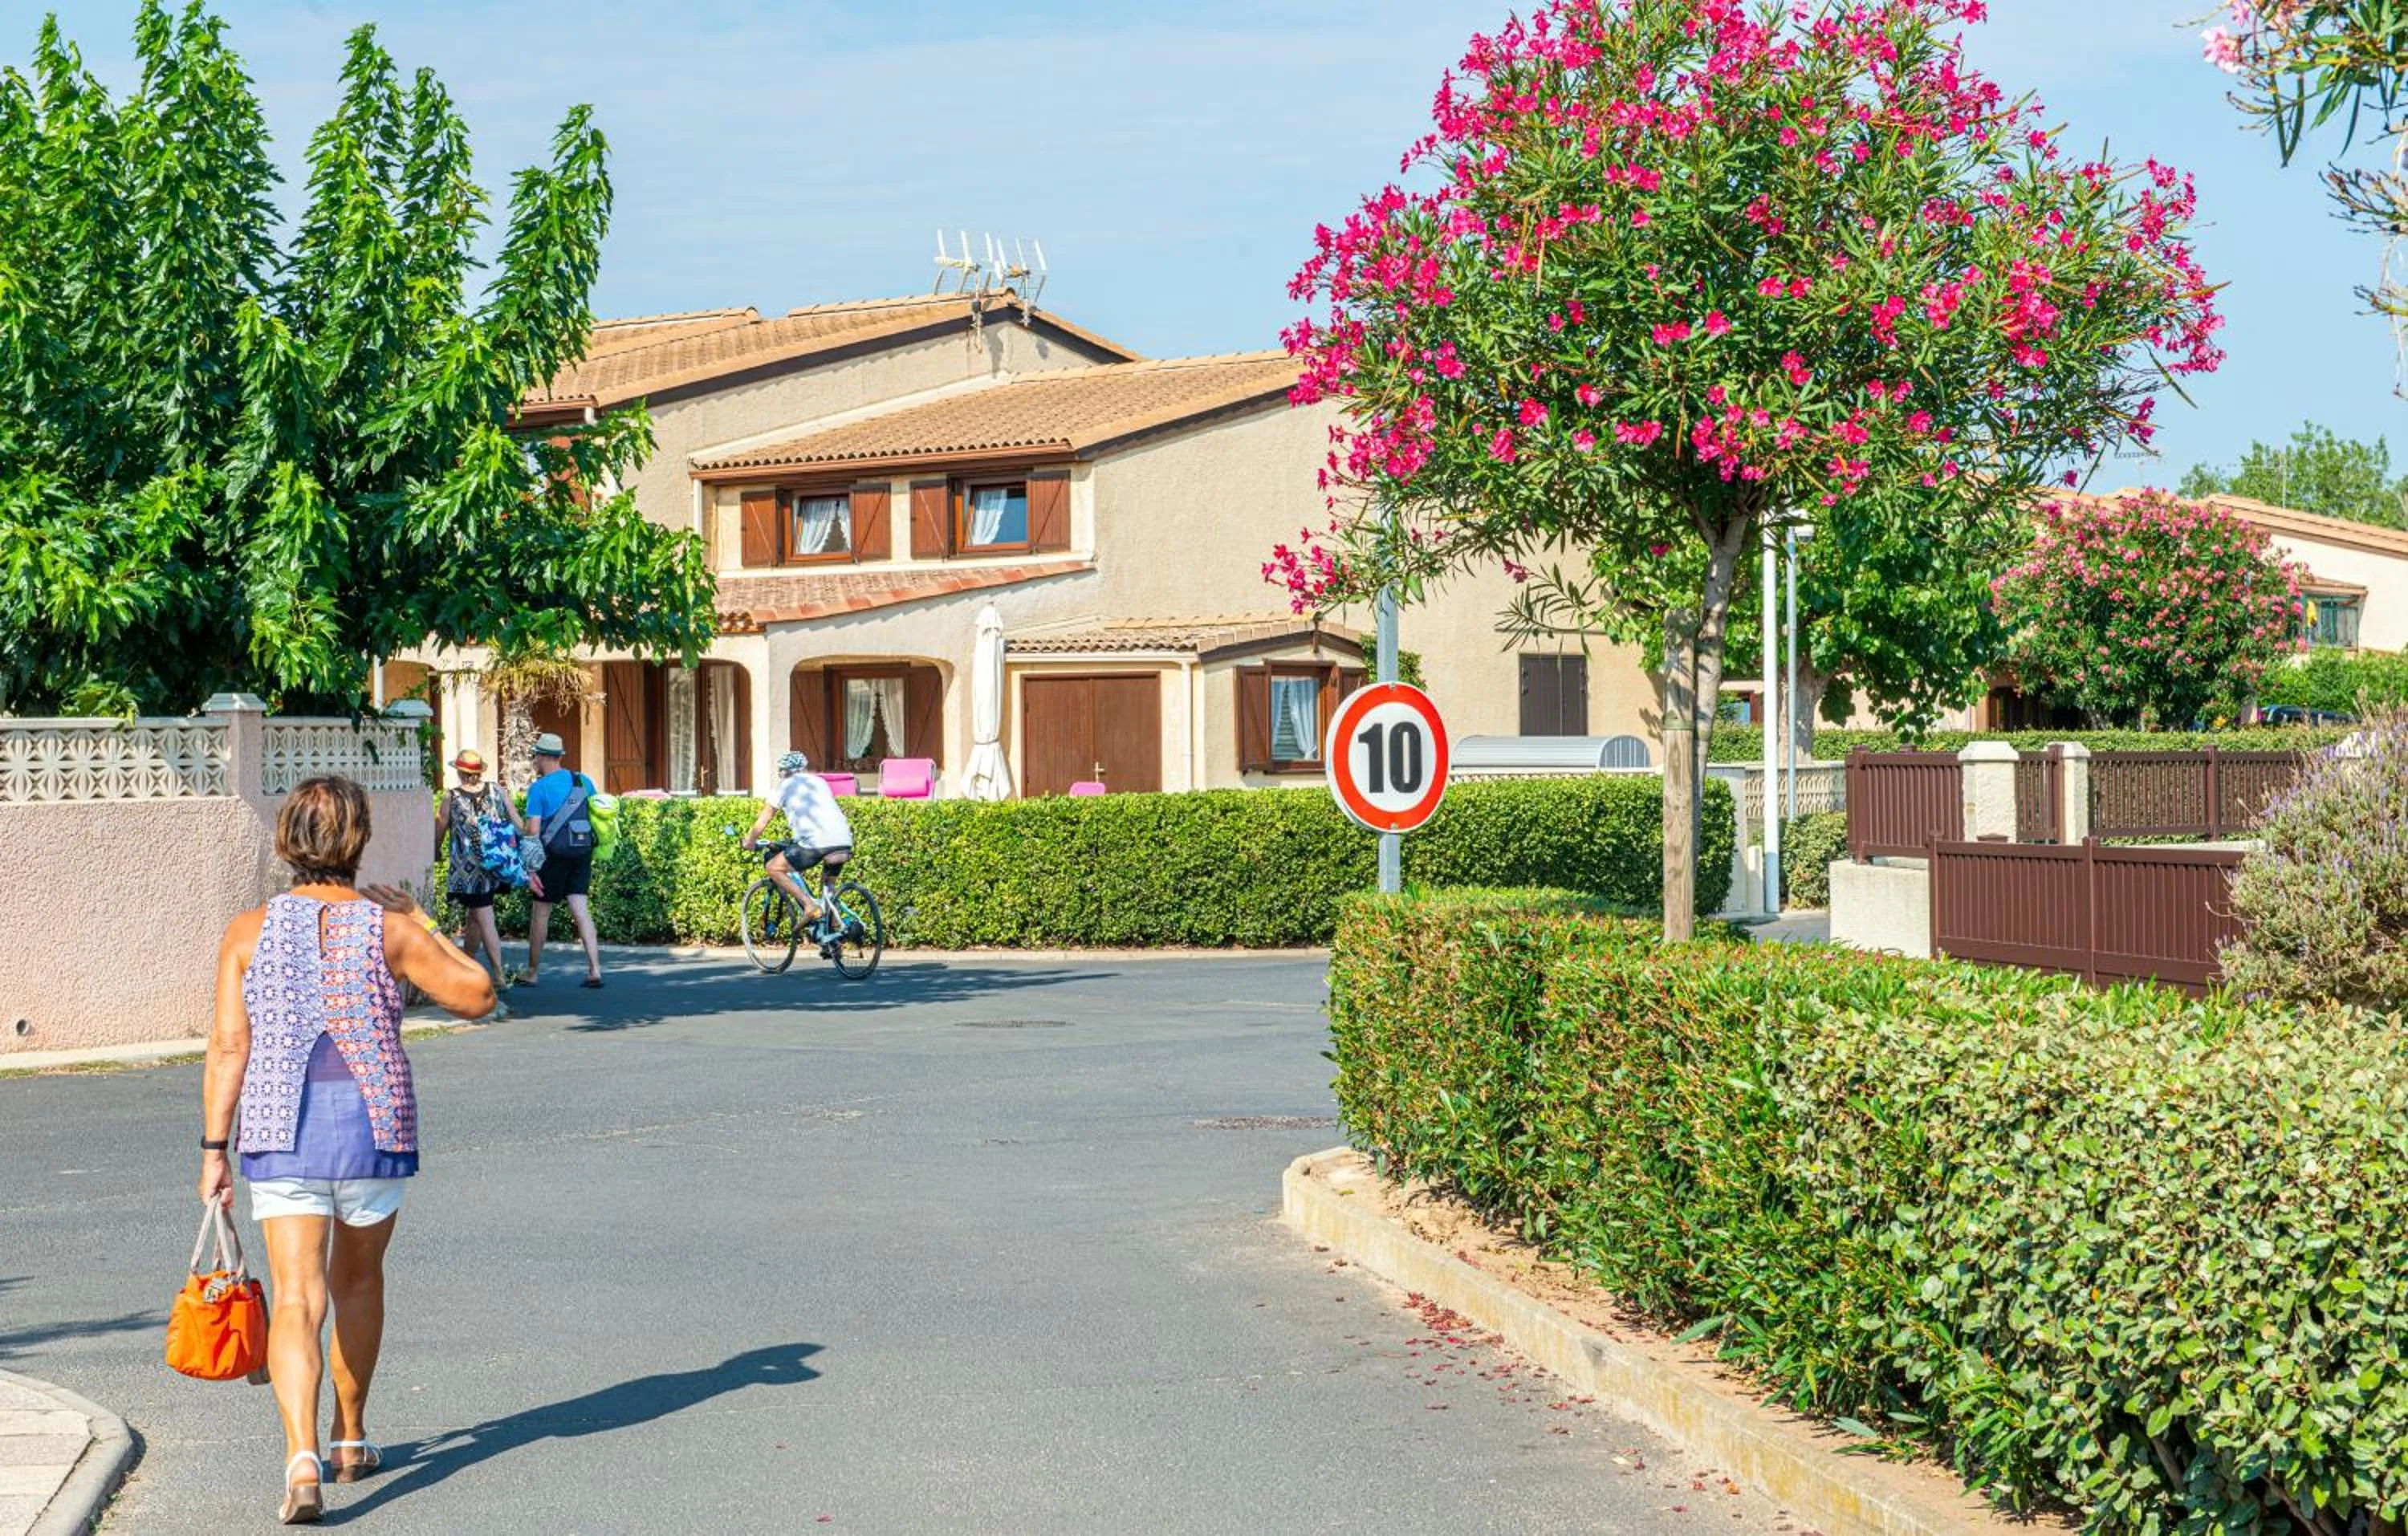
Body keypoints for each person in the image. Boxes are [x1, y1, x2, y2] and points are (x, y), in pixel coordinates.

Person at [199, 776, 496, 1525]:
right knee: (358, 1284)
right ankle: (350, 1437)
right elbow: (478, 994)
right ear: (357, 840)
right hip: (373, 1125)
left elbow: (230, 1046)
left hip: (279, 1127)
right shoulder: (389, 928)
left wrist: (213, 1148)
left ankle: (301, 1460)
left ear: (287, 840)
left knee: (297, 1297)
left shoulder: (247, 932)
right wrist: (421, 920)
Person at [435, 750, 526, 1011]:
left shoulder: (452, 797)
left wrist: (434, 850)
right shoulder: (497, 790)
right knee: (474, 916)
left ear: (460, 772)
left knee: (484, 917)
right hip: (495, 864)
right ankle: (468, 962)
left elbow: (441, 827)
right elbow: (516, 820)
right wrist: (524, 844)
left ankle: (498, 974)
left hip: (469, 870)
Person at [520, 732, 603, 989]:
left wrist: (529, 864)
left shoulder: (538, 789)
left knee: (541, 913)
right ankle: (595, 969)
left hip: (553, 856)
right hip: (581, 851)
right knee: (581, 910)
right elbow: (597, 815)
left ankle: (532, 972)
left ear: (543, 757)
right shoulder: (583, 781)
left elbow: (533, 831)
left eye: (536, 756)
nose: (535, 760)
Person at [742, 750, 855, 924]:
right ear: (804, 768)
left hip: (816, 842)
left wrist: (750, 842)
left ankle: (809, 906)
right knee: (828, 886)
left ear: (782, 772)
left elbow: (764, 819)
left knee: (774, 868)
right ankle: (834, 931)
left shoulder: (783, 787)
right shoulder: (819, 782)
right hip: (843, 840)